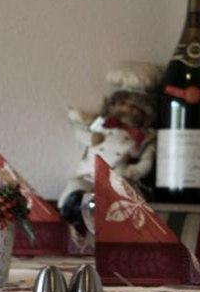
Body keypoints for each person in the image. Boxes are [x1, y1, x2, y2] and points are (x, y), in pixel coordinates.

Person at [58, 62, 161, 230]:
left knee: (116, 203)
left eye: (134, 107)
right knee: (75, 190)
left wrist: (132, 171)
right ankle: (71, 217)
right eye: (122, 104)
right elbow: (80, 133)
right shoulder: (103, 125)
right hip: (88, 174)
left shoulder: (146, 137)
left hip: (117, 178)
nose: (127, 109)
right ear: (113, 106)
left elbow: (146, 162)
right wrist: (91, 138)